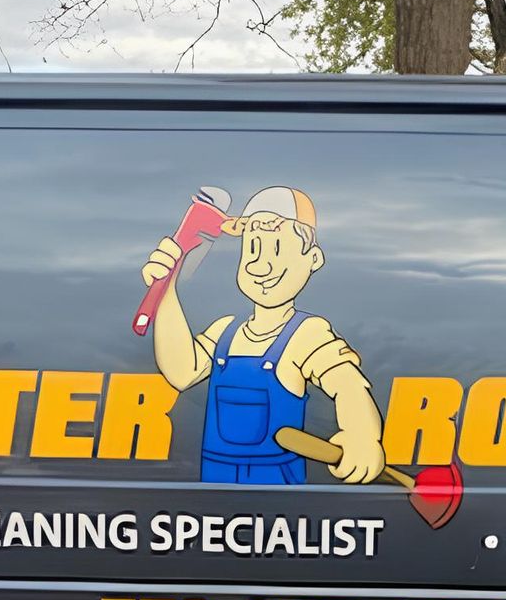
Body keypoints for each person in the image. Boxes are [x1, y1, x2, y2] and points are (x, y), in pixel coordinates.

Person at [142, 185, 387, 484]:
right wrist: (167, 287)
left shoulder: (307, 334)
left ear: (313, 259)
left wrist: (361, 437)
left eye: (277, 249)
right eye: (253, 248)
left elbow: (347, 384)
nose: (260, 265)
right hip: (214, 492)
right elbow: (181, 372)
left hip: (278, 495)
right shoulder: (225, 331)